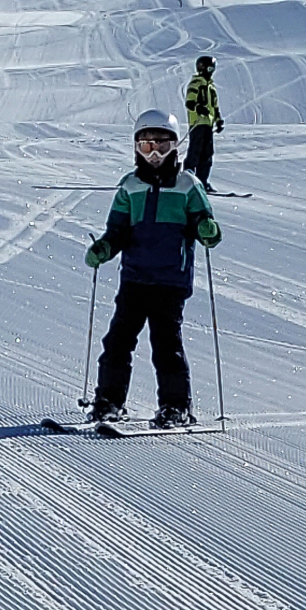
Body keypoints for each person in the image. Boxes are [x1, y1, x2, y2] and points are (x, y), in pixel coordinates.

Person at [84, 109, 221, 428]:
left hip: (170, 280)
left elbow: (205, 222)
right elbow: (117, 230)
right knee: (118, 341)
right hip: (135, 278)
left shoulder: (188, 185)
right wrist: (104, 248)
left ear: (176, 147)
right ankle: (108, 401)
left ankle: (176, 405)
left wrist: (207, 229)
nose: (155, 153)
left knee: (165, 344)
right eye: (147, 146)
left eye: (163, 145)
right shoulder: (129, 186)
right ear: (136, 148)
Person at [183, 55, 223, 193]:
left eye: (213, 69)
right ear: (202, 68)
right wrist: (198, 107)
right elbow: (189, 102)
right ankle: (187, 180)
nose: (211, 71)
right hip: (198, 122)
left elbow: (215, 107)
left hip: (208, 124)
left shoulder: (211, 87)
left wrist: (218, 121)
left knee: (207, 154)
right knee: (195, 152)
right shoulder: (196, 84)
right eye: (209, 68)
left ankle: (202, 182)